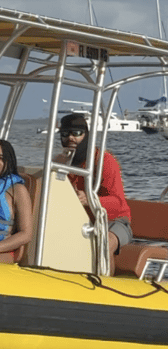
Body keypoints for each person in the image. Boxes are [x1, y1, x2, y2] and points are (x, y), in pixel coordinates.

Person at [58, 113, 132, 274]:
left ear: (86, 135)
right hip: (77, 221)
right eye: (65, 134)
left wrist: (90, 199)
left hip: (113, 221)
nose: (70, 138)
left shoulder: (104, 161)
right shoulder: (59, 162)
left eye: (76, 133)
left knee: (103, 245)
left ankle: (106, 287)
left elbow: (118, 202)